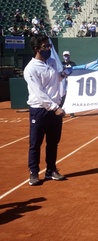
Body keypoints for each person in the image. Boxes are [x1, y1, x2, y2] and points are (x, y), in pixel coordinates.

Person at [24, 34, 67, 186]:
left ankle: (51, 170)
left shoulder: (53, 62)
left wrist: (63, 75)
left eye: (49, 46)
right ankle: (34, 172)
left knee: (53, 142)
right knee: (35, 143)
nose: (48, 49)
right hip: (40, 109)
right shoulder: (30, 69)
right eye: (45, 47)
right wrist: (55, 107)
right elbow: (39, 92)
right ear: (36, 49)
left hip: (55, 109)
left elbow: (55, 80)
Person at [61, 51, 77, 118]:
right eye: (65, 55)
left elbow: (76, 71)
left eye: (67, 55)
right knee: (62, 96)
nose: (66, 57)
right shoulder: (61, 63)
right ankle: (62, 112)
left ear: (69, 56)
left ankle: (71, 112)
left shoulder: (73, 64)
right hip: (63, 82)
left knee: (70, 96)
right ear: (63, 56)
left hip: (71, 82)